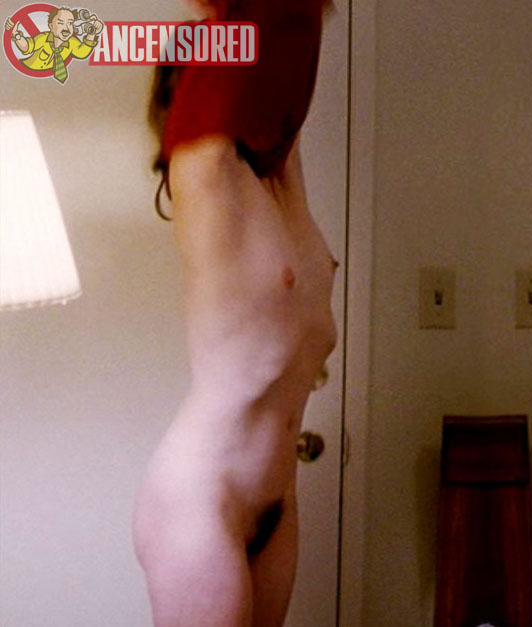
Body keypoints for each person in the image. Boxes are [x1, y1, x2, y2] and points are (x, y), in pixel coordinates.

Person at [132, 1, 338, 625]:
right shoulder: (203, 170)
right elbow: (264, 34)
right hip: (199, 503)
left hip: (277, 499)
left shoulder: (282, 185)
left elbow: (294, 53)